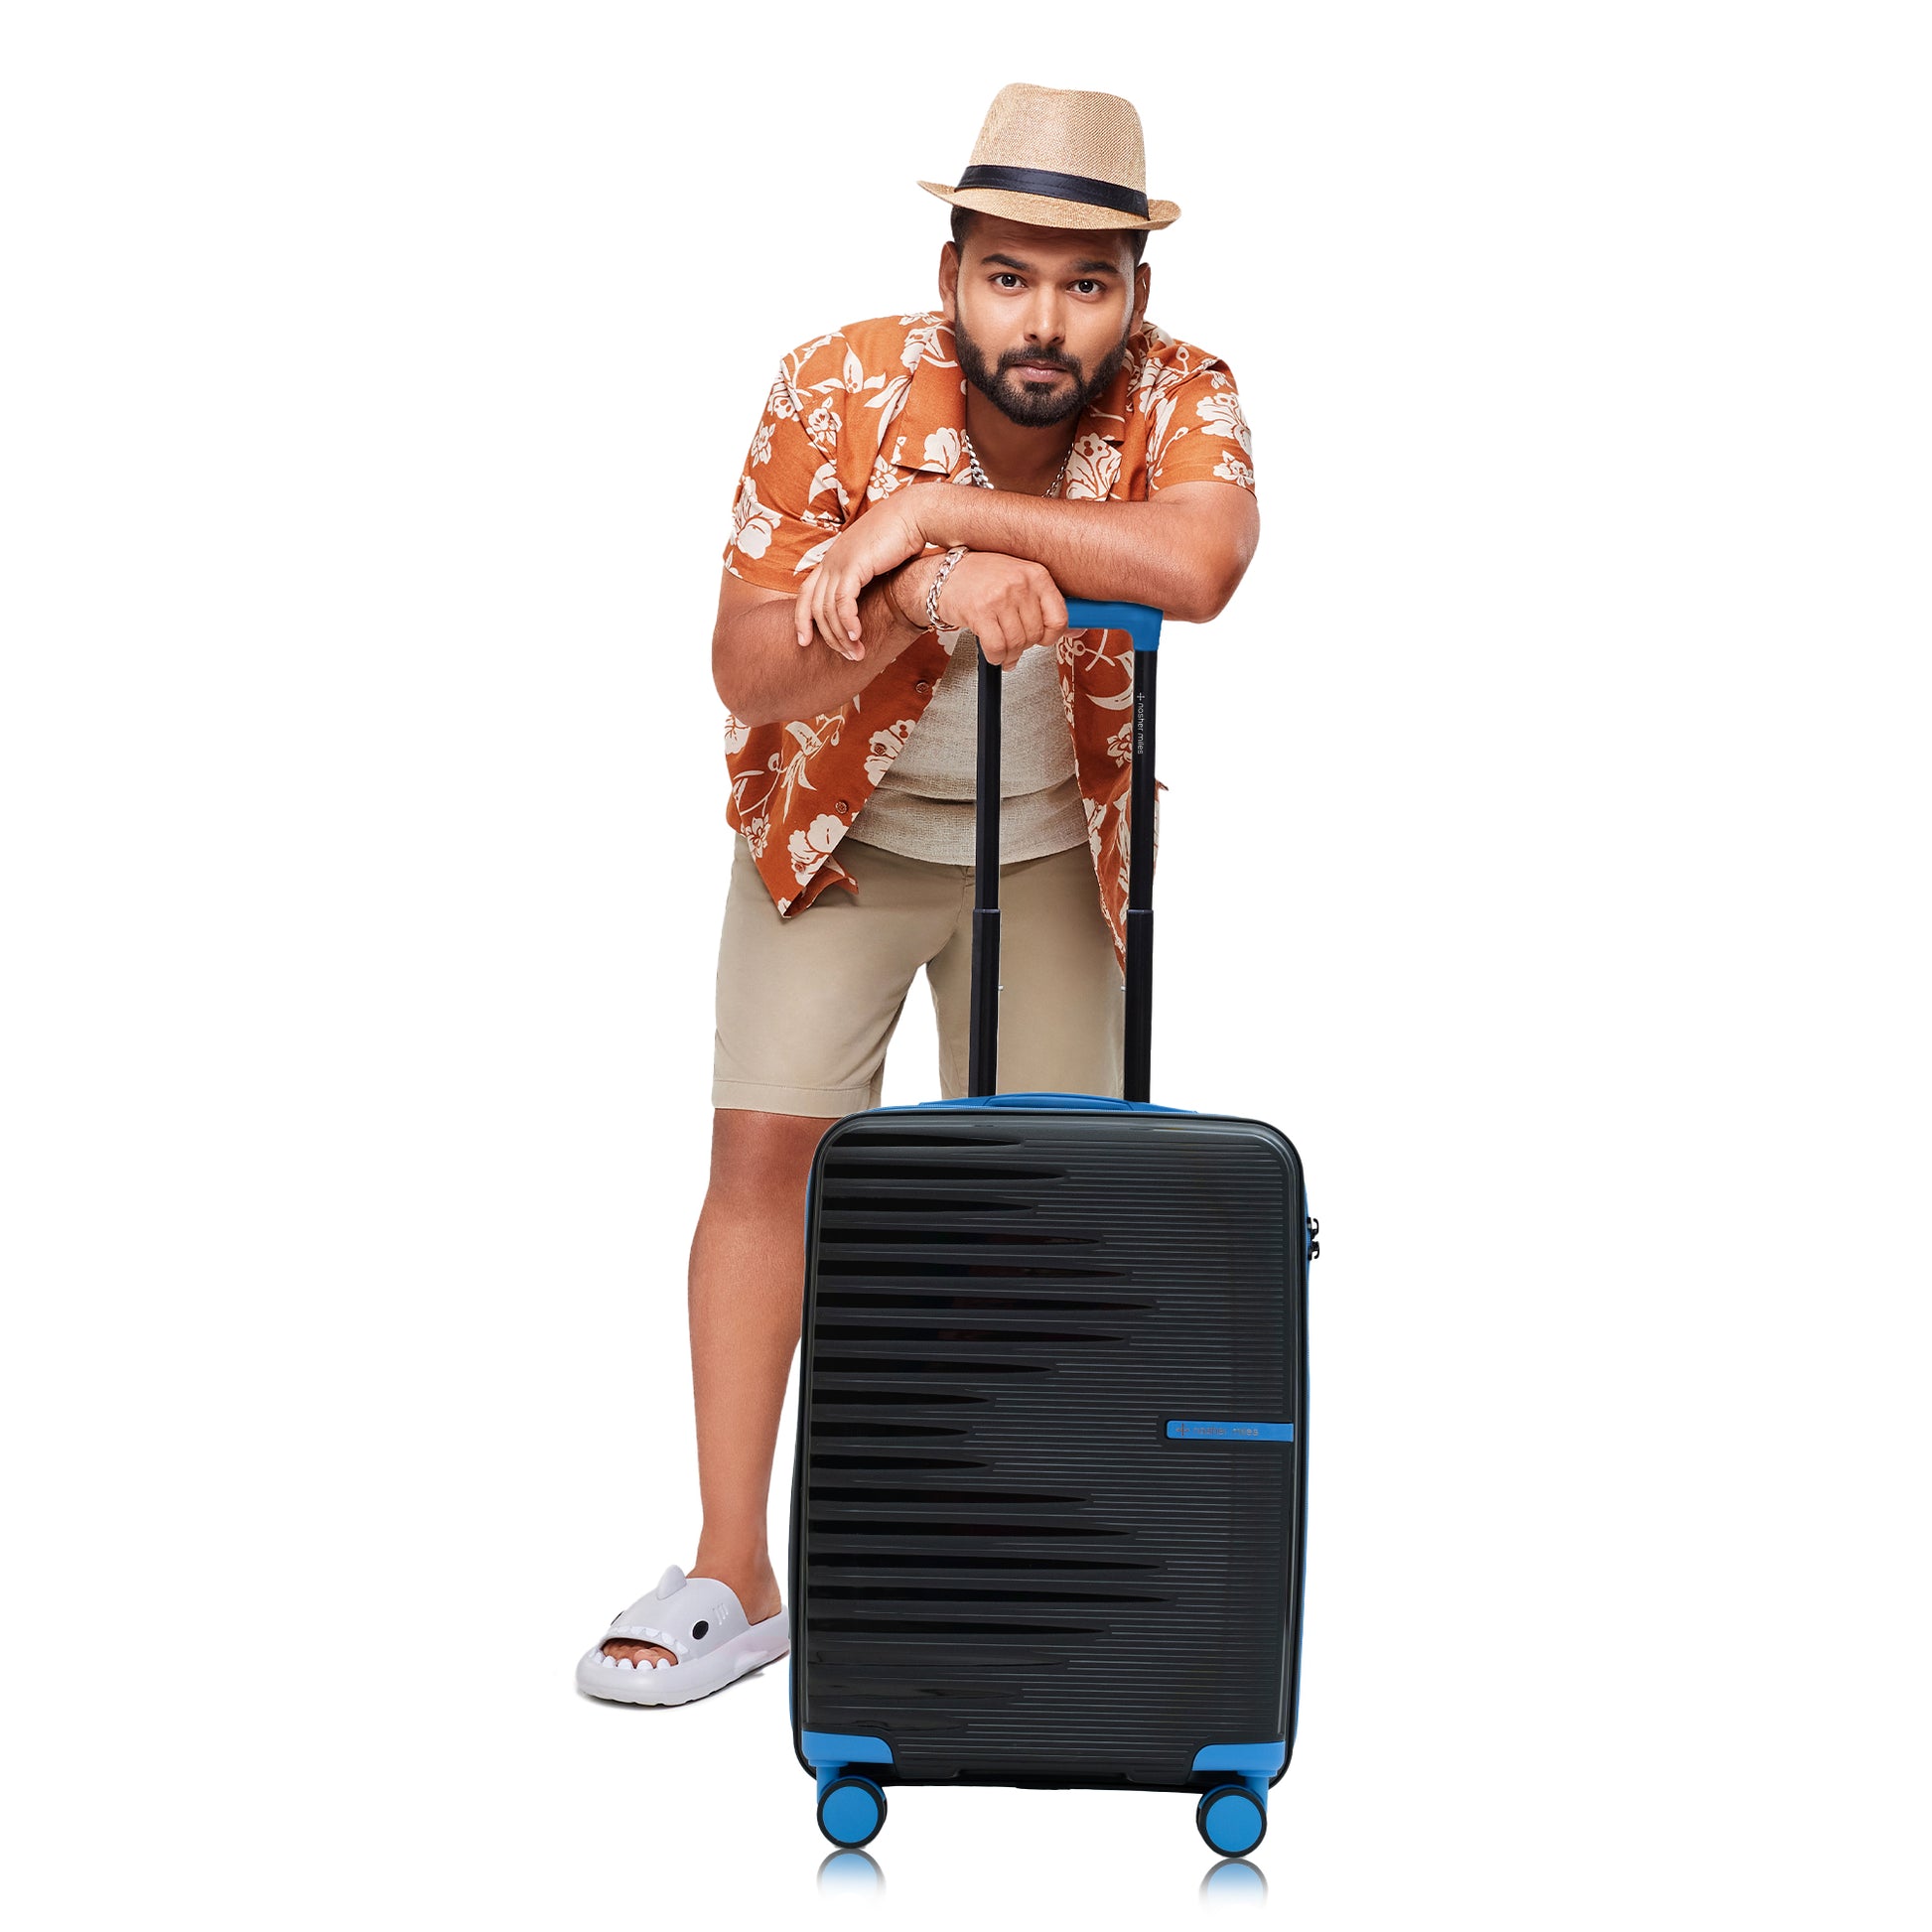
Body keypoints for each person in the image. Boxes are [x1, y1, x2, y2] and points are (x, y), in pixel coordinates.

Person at [577, 82, 1259, 1706]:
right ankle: (732, 1571)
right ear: (951, 270)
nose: (1045, 320)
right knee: (768, 1162)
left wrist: (937, 508)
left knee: (1055, 1199)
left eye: (1087, 283)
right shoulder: (830, 385)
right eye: (1008, 275)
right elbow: (748, 671)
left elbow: (1200, 565)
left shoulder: (1183, 389)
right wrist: (923, 585)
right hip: (840, 839)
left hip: (1056, 847)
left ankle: (1019, 1558)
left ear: (1135, 296)